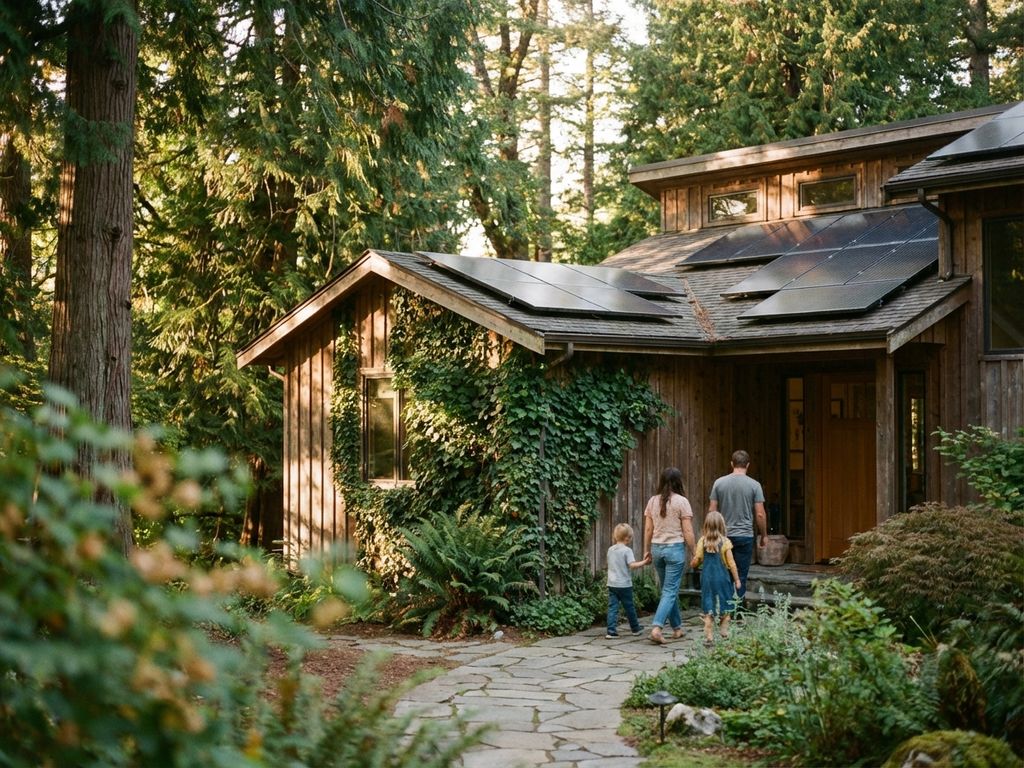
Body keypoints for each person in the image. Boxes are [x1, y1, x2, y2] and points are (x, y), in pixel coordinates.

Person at [642, 467, 696, 645]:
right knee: (670, 591)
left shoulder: (652, 501)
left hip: (657, 549)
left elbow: (648, 529)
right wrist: (695, 551)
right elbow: (687, 531)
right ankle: (657, 628)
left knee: (667, 590)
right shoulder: (682, 502)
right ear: (678, 482)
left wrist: (646, 549)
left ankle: (677, 628)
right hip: (674, 550)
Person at [708, 449, 767, 600]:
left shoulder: (719, 483)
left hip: (723, 536)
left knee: (725, 572)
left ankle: (724, 607)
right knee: (741, 573)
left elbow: (712, 511)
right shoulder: (755, 485)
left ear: (731, 464)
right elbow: (760, 514)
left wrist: (710, 534)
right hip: (745, 535)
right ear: (748, 465)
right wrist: (763, 535)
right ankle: (737, 611)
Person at [690, 510, 741, 646]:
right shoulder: (725, 542)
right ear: (722, 526)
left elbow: (697, 560)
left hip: (707, 579)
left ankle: (709, 637)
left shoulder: (703, 541)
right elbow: (732, 564)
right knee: (725, 604)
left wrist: (693, 563)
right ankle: (724, 632)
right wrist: (737, 580)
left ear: (706, 526)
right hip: (722, 579)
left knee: (709, 606)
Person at [605, 523, 649, 639]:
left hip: (612, 583)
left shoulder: (610, 549)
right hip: (624, 585)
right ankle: (635, 628)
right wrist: (644, 562)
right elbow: (632, 565)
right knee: (629, 607)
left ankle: (611, 631)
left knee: (612, 607)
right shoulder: (627, 550)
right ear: (627, 538)